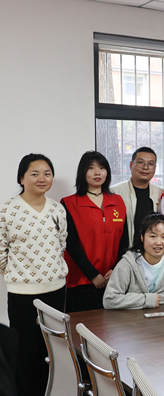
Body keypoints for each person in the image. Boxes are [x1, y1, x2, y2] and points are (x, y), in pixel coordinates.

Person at [0, 154, 68, 396]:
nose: (42, 178)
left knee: (51, 352)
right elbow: (1, 252)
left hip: (56, 290)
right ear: (21, 178)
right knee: (25, 352)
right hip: (22, 294)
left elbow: (61, 244)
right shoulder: (8, 210)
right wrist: (20, 275)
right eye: (35, 173)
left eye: (47, 173)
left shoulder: (57, 209)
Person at [61, 151, 128, 312]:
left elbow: (124, 240)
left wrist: (116, 269)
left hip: (113, 280)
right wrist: (93, 275)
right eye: (91, 168)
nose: (97, 172)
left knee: (113, 326)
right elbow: (71, 244)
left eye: (102, 168)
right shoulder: (69, 203)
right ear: (82, 172)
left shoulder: (117, 201)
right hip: (82, 281)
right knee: (83, 326)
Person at [103, 214, 164, 309]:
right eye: (153, 236)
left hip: (163, 315)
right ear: (142, 237)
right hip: (131, 317)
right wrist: (147, 300)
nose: (158, 242)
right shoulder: (128, 263)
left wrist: (155, 300)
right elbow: (109, 300)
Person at [111, 147, 164, 248]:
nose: (145, 167)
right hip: (124, 252)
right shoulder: (115, 192)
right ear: (131, 165)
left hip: (152, 252)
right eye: (140, 162)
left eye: (150, 164)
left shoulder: (160, 194)